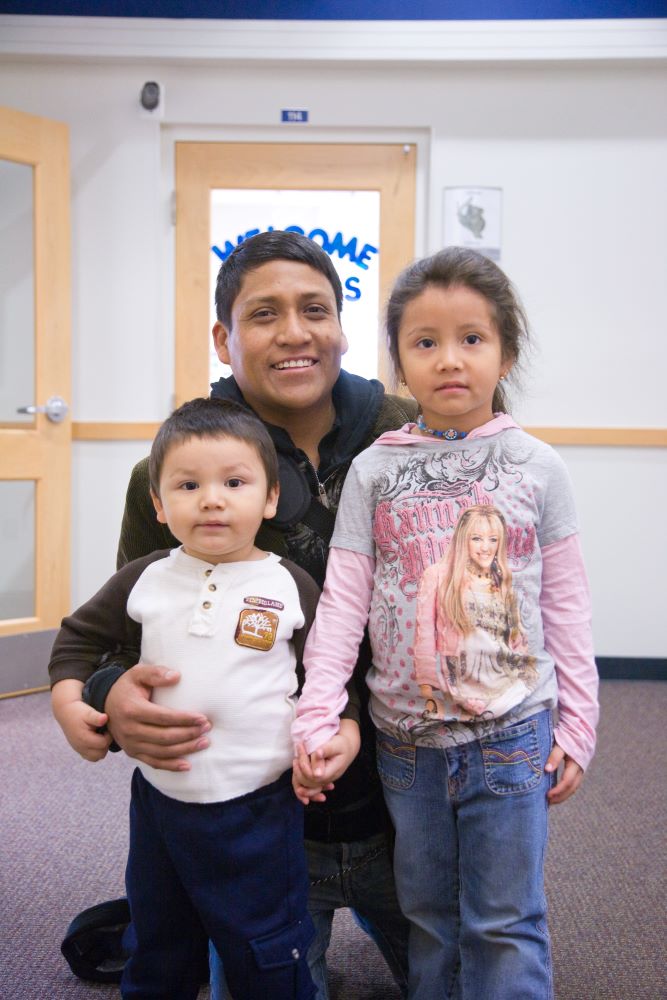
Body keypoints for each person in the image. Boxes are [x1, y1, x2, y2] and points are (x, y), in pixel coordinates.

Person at [50, 230, 414, 999]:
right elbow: (117, 631)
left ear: (341, 325)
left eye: (315, 309)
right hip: (247, 812)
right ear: (224, 336)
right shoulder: (175, 470)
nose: (293, 332)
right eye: (263, 314)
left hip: (402, 790)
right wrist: (108, 694)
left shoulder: (407, 432)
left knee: (467, 973)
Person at [292, 246, 600, 999]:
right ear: (398, 359)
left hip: (511, 735)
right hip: (406, 744)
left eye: (471, 338)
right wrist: (317, 711)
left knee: (503, 919)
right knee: (428, 915)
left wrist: (579, 723)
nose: (448, 359)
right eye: (424, 342)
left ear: (505, 352)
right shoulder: (375, 470)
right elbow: (343, 601)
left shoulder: (537, 466)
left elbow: (565, 604)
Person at [49, 397, 319, 999]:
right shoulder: (145, 576)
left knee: (267, 948)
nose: (212, 499)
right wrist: (73, 706)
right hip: (160, 802)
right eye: (188, 485)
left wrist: (339, 729)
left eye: (234, 482)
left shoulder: (288, 584)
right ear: (158, 503)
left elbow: (335, 673)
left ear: (270, 497)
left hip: (258, 808)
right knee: (158, 941)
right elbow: (78, 639)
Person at [415, 504, 537, 721]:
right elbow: (423, 636)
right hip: (460, 681)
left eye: (493, 540)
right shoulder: (437, 575)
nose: (485, 548)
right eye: (477, 539)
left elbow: (514, 636)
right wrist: (427, 689)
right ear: (463, 540)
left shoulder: (501, 579)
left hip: (502, 677)